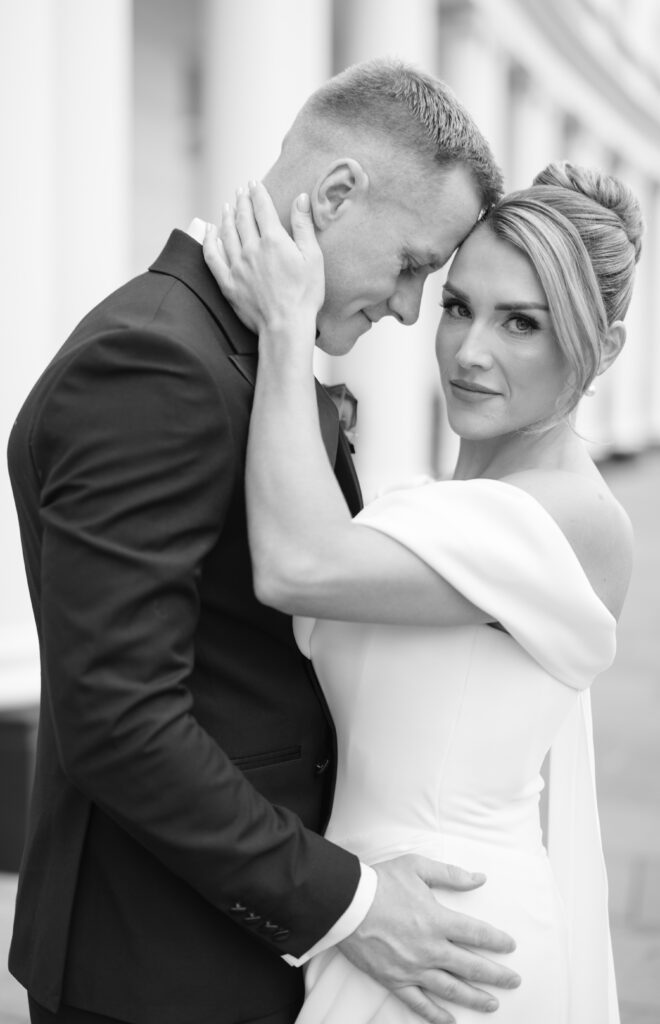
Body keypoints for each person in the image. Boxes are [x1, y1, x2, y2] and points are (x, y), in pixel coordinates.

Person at [7, 59, 520, 1024]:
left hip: (232, 950)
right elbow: (119, 720)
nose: (411, 309)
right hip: (154, 968)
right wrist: (351, 904)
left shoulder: (248, 356)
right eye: (412, 263)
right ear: (334, 196)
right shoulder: (156, 361)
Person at [201, 159, 642, 1023]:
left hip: (453, 948)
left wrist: (290, 329)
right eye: (457, 306)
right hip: (369, 916)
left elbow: (297, 564)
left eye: (522, 323)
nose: (470, 353)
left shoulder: (566, 518)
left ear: (604, 349)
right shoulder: (450, 508)